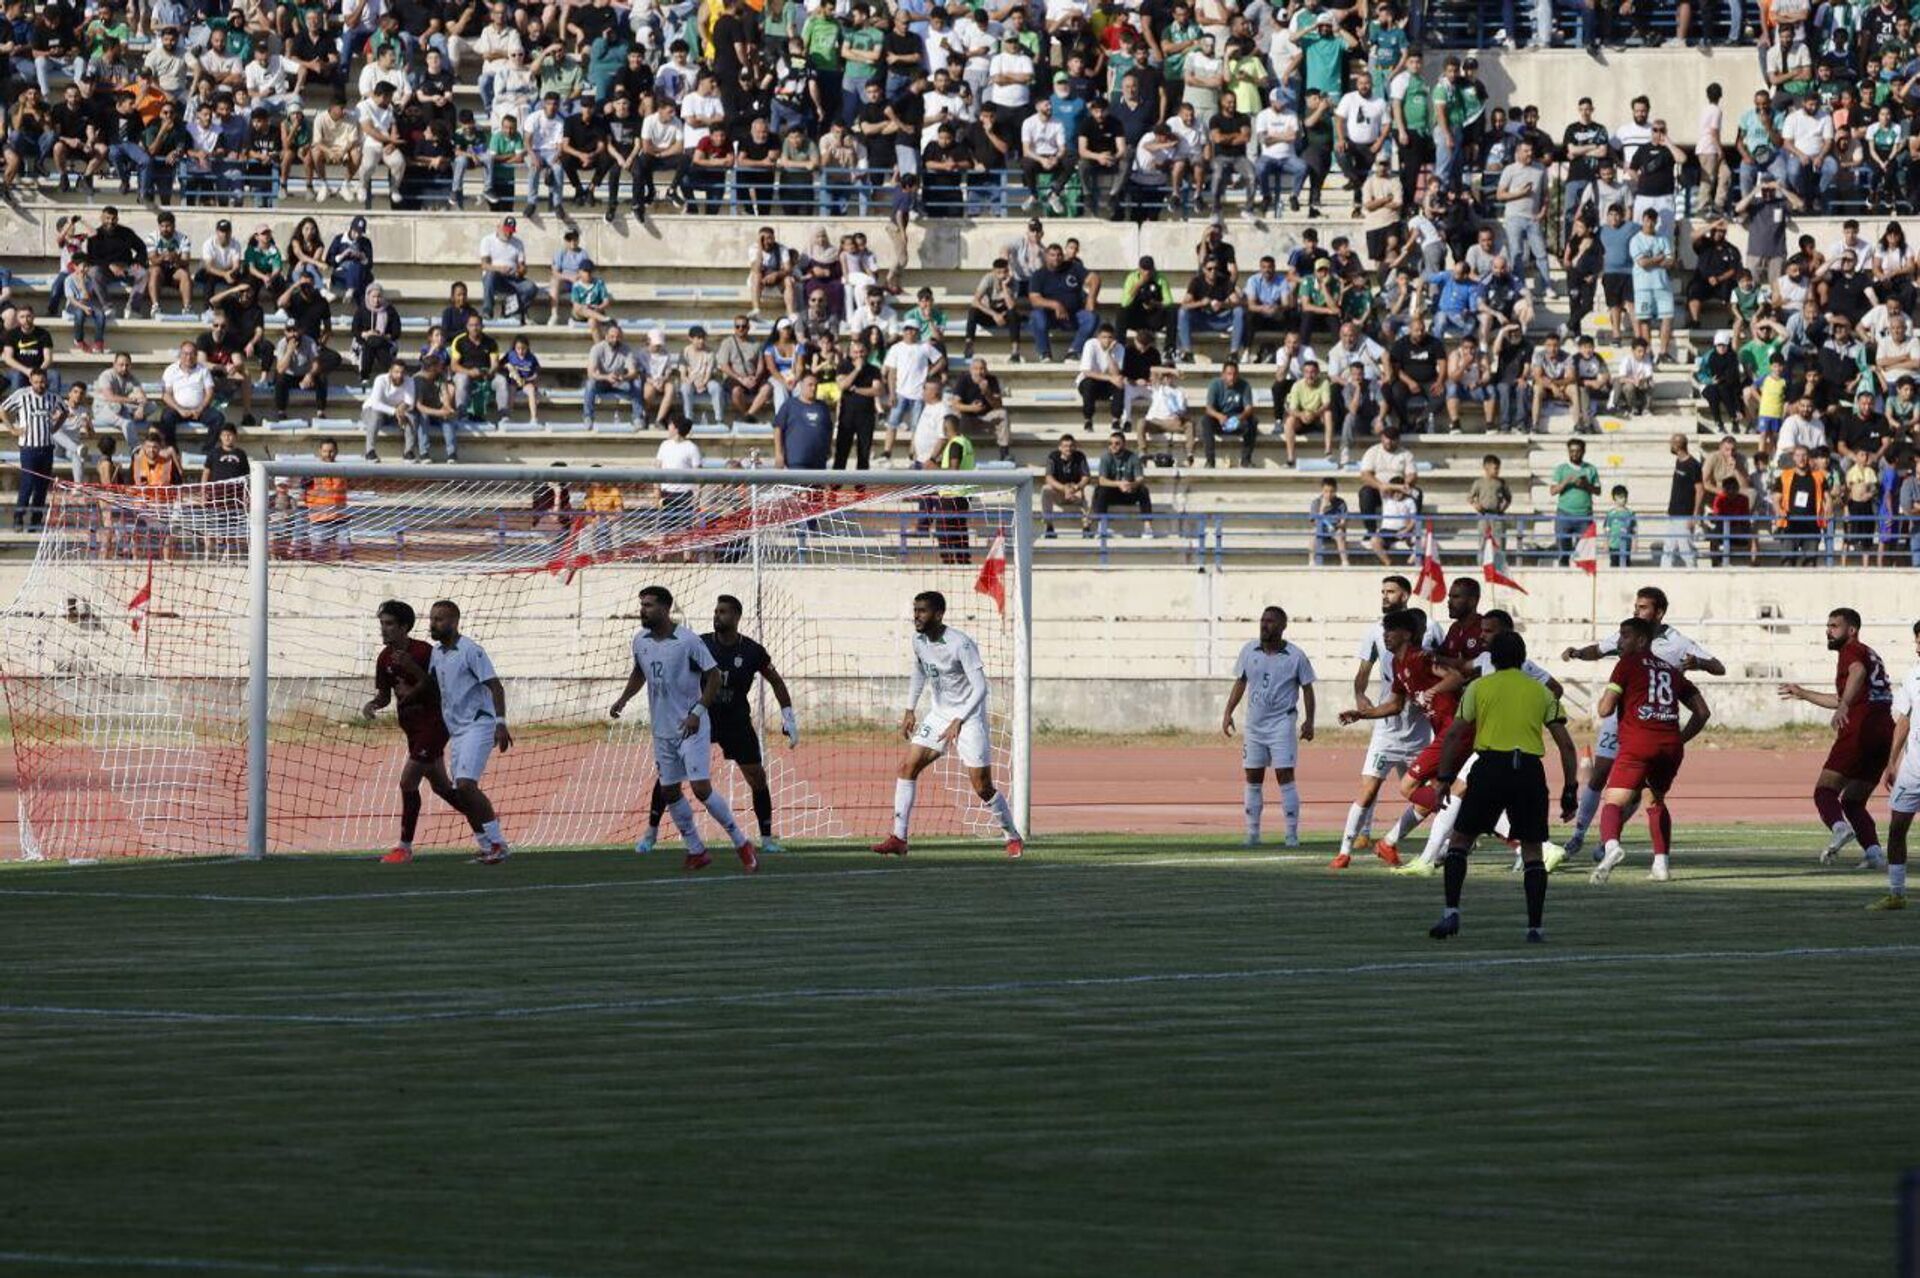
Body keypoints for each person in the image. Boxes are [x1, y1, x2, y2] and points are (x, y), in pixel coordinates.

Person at [1423, 629, 1581, 944]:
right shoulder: (1541, 692)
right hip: (1528, 771)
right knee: (1533, 850)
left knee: (1460, 841)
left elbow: (1454, 735)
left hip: (1490, 767)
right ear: (1522, 659)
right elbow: (1566, 745)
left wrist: (1443, 779)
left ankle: (1450, 911)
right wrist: (1570, 788)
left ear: (1492, 659)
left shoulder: (1479, 687)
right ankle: (1534, 928)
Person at [1560, 586, 1725, 862]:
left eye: (1643, 607)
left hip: (1653, 725)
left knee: (1636, 790)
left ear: (1659, 612)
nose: (1637, 611)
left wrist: (1697, 662)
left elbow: (1719, 667)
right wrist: (1577, 653)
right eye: (1636, 607)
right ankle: (1578, 835)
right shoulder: (1629, 635)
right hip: (1621, 721)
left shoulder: (1678, 641)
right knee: (1601, 774)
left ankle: (1608, 842)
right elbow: (1599, 649)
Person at [609, 584, 759, 873]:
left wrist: (698, 712)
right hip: (662, 729)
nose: (643, 610)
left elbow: (713, 676)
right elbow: (640, 671)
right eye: (642, 605)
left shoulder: (687, 640)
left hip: (692, 727)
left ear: (665, 609)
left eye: (649, 605)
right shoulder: (640, 640)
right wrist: (623, 699)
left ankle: (742, 843)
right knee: (668, 791)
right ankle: (696, 849)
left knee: (701, 788)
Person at [638, 595, 800, 857]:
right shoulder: (699, 643)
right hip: (701, 720)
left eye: (723, 612)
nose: (717, 616)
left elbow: (776, 681)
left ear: (736, 617)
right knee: (670, 776)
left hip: (736, 721)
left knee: (757, 777)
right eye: (715, 611)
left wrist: (789, 717)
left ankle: (767, 839)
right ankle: (651, 832)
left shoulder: (751, 650)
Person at [871, 590, 1024, 859]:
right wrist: (910, 708)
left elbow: (980, 688)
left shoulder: (961, 644)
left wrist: (960, 719)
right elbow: (919, 670)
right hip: (939, 714)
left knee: (982, 786)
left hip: (970, 716)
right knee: (907, 767)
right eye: (915, 610)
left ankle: (1012, 835)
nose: (916, 616)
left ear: (939, 614)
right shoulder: (918, 641)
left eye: (922, 611)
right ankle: (899, 838)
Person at [1336, 605, 1462, 870]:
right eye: (1385, 630)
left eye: (1391, 630)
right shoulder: (1396, 663)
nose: (1386, 635)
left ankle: (1465, 825)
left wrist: (1434, 690)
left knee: (1418, 789)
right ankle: (1392, 841)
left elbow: (1455, 676)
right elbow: (1395, 704)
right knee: (1440, 792)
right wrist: (1362, 715)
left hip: (1453, 733)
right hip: (1441, 735)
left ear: (1407, 633)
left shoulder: (1422, 658)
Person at [1590, 617, 1714, 885]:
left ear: (1642, 640)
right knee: (1654, 800)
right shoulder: (1670, 670)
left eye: (1625, 636)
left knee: (1613, 800)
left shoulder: (1626, 664)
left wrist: (1609, 696)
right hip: (1669, 747)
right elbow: (1703, 712)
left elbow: (1605, 710)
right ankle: (1661, 865)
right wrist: (1679, 739)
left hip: (1637, 742)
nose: (1620, 641)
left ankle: (1611, 848)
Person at [1779, 607, 1897, 872]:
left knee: (1825, 791)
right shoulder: (1869, 653)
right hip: (1883, 730)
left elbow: (1856, 674)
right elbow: (1845, 696)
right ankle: (1875, 853)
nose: (1828, 631)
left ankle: (1840, 828)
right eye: (1828, 625)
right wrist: (1803, 693)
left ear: (1851, 630)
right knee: (1853, 801)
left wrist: (1844, 705)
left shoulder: (1851, 651)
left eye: (1834, 626)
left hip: (1861, 728)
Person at [359, 600, 466, 865]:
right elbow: (386, 695)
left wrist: (411, 673)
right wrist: (373, 704)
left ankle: (404, 848)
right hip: (412, 728)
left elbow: (437, 687)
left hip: (435, 724)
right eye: (382, 624)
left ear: (405, 627)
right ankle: (485, 821)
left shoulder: (424, 652)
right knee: (441, 786)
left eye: (390, 624)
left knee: (408, 782)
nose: (384, 629)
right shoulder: (384, 658)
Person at [424, 598, 513, 866]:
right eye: (432, 619)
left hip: (479, 724)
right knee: (461, 791)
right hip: (457, 730)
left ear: (454, 621)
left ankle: (499, 844)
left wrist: (500, 722)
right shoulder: (436, 653)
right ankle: (487, 846)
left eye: (439, 619)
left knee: (465, 785)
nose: (434, 624)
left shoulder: (471, 650)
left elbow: (496, 687)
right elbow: (432, 686)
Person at [1221, 605, 1316, 848]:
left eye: (1271, 621)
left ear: (1283, 626)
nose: (1265, 625)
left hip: (1282, 724)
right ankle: (1253, 834)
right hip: (1254, 726)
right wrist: (1228, 712)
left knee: (1285, 775)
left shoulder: (1296, 656)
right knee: (1253, 776)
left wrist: (1309, 721)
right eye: (1263, 620)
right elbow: (1241, 682)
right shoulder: (1248, 650)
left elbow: (1307, 688)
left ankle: (1291, 835)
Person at [1876, 620, 1920, 910]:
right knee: (1896, 829)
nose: (1918, 646)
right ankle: (1897, 893)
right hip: (1913, 769)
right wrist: (1892, 761)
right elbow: (1903, 719)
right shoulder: (1913, 675)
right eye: (1917, 640)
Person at [2, 366, 56, 533]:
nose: (40, 385)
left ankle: (35, 521)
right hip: (29, 448)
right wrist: (12, 429)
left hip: (47, 448)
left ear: (46, 381)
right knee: (27, 484)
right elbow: (2, 409)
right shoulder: (22, 395)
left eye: (42, 382)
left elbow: (64, 410)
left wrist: (55, 427)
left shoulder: (52, 397)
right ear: (31, 381)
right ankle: (18, 517)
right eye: (36, 382)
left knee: (41, 488)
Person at [1093, 429, 1155, 537]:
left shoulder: (1133, 457)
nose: (1113, 446)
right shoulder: (1106, 457)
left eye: (1117, 443)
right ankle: (1101, 527)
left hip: (1128, 492)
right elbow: (1102, 480)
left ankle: (1148, 527)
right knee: (1100, 489)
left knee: (1143, 490)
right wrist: (1119, 484)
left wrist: (1131, 485)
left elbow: (1140, 478)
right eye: (1111, 443)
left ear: (1124, 444)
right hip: (1112, 493)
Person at [1203, 359, 1259, 468]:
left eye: (1234, 374)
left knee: (1253, 421)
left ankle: (1246, 460)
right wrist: (1219, 416)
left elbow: (1249, 407)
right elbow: (1208, 408)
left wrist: (1241, 417)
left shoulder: (1245, 385)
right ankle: (1210, 461)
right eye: (1229, 374)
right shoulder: (1215, 385)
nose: (1232, 377)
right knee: (1206, 420)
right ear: (1223, 374)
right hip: (1220, 419)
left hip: (1237, 419)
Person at [1042, 433, 1093, 538]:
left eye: (1071, 446)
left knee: (1089, 489)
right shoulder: (1053, 457)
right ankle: (1049, 527)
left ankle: (1086, 526)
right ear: (1060, 447)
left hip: (1076, 493)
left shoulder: (1080, 456)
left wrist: (1076, 488)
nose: (1068, 448)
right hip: (1059, 493)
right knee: (1046, 489)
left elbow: (1086, 477)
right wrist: (1064, 488)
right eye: (1065, 446)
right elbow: (1049, 478)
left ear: (1074, 447)